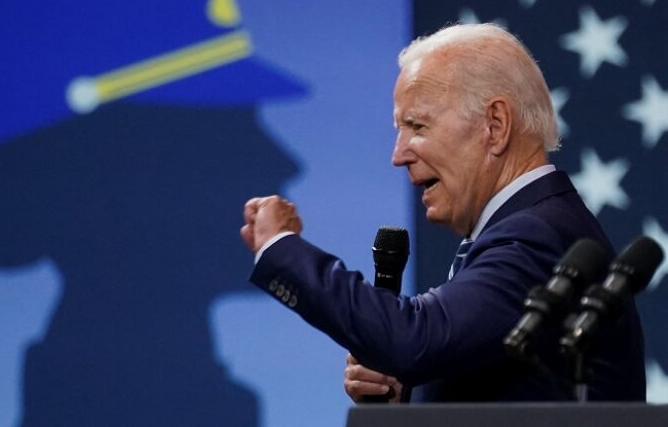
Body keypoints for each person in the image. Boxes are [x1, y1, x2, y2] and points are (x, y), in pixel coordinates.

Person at [240, 23, 646, 402]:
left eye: (417, 126)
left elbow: (416, 340)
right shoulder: (528, 228)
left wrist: (282, 248)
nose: (398, 155)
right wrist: (407, 392)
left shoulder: (537, 236)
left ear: (495, 125)